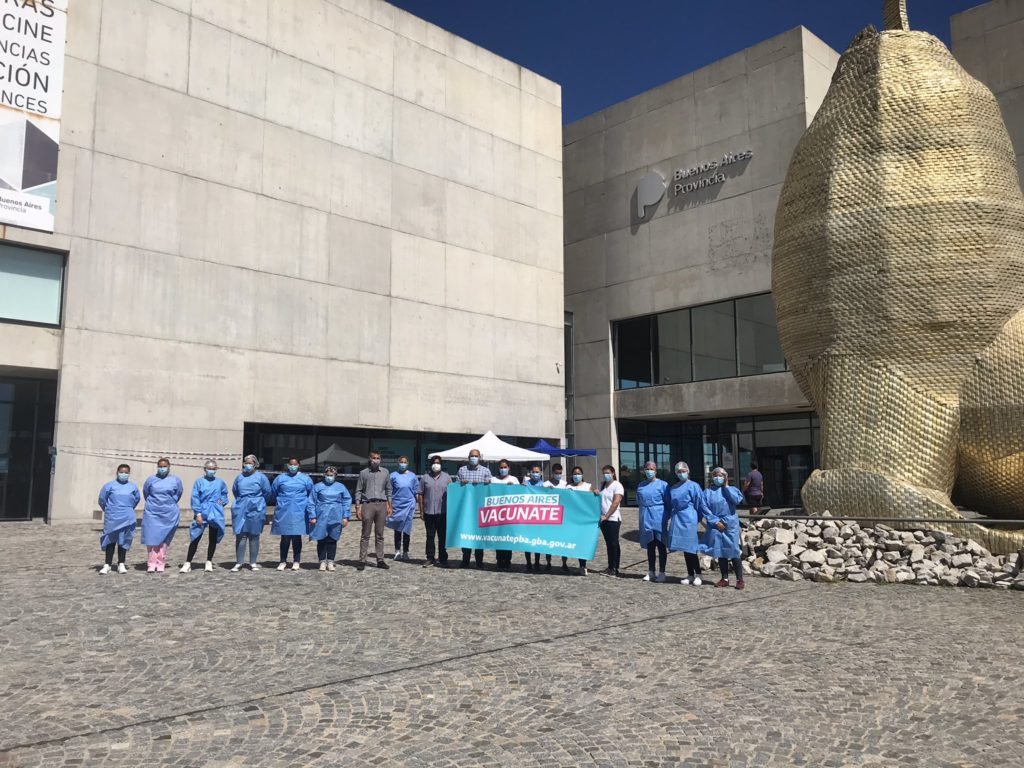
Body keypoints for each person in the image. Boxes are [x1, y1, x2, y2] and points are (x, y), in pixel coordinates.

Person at [667, 461, 710, 585]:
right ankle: (690, 574)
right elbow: (671, 503)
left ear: (688, 471)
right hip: (678, 517)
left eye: (683, 471)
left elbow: (699, 503)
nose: (681, 473)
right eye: (679, 472)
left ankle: (698, 574)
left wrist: (697, 517)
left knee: (691, 547)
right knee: (684, 547)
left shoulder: (694, 486)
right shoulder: (674, 488)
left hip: (689, 516)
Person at [703, 467, 746, 589]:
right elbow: (704, 508)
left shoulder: (732, 490)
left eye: (721, 475)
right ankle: (724, 578)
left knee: (733, 550)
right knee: (720, 550)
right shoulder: (707, 492)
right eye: (715, 475)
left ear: (725, 477)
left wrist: (726, 487)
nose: (718, 477)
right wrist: (715, 521)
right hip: (716, 524)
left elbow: (737, 500)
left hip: (730, 524)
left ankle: (740, 579)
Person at [181, 459, 228, 573]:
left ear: (216, 469)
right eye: (209, 468)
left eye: (213, 469)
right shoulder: (199, 482)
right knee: (195, 537)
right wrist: (198, 513)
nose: (211, 471)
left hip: (215, 511)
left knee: (212, 537)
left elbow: (224, 495)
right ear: (205, 469)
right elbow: (195, 497)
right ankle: (188, 562)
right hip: (202, 510)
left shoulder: (220, 482)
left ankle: (209, 561)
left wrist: (219, 503)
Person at [140, 458, 183, 573]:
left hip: (168, 512)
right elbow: (146, 492)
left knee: (164, 538)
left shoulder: (175, 480)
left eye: (164, 466)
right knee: (151, 537)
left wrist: (169, 503)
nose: (162, 468)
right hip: (152, 512)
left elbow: (178, 493)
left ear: (169, 467)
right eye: (160, 466)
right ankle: (151, 563)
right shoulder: (151, 480)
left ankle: (160, 562)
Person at [230, 455, 273, 572]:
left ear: (255, 464)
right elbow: (235, 491)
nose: (247, 465)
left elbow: (267, 492)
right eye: (246, 463)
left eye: (250, 463)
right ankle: (239, 562)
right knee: (241, 534)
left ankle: (253, 562)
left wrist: (258, 501)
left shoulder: (261, 477)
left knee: (254, 535)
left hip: (256, 507)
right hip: (241, 506)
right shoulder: (239, 477)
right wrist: (242, 501)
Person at [271, 457, 314, 571]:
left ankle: (296, 560)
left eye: (295, 464)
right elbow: (274, 491)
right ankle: (282, 561)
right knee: (285, 537)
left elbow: (311, 493)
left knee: (296, 536)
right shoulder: (280, 478)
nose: (293, 466)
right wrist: (283, 500)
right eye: (291, 464)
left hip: (299, 510)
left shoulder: (305, 479)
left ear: (299, 465)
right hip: (284, 510)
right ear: (287, 465)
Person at [307, 465, 352, 571]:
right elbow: (311, 501)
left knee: (332, 539)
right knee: (321, 539)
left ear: (335, 475)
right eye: (327, 475)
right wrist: (312, 516)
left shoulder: (341, 487)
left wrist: (345, 516)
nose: (329, 477)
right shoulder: (318, 486)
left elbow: (347, 501)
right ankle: (322, 561)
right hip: (321, 515)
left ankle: (331, 561)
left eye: (331, 475)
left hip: (336, 515)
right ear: (324, 475)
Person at [98, 464, 140, 574]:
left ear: (129, 474)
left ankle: (121, 563)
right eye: (121, 472)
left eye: (126, 472)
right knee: (110, 540)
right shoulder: (109, 486)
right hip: (112, 516)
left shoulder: (133, 487)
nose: (123, 474)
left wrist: (127, 508)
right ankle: (107, 564)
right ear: (117, 472)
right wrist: (109, 509)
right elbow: (102, 500)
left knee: (123, 540)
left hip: (127, 517)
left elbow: (136, 499)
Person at [355, 450, 392, 571]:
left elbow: (389, 489)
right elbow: (358, 490)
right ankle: (362, 560)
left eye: (378, 458)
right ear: (370, 459)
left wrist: (389, 505)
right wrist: (357, 506)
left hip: (382, 504)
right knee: (365, 534)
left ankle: (380, 559)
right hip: (368, 504)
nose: (376, 460)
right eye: (374, 458)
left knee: (380, 534)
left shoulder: (385, 472)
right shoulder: (363, 473)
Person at [636, 460, 670, 583]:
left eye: (652, 469)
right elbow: (639, 500)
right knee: (650, 544)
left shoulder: (663, 485)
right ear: (644, 470)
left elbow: (668, 502)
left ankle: (662, 572)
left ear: (656, 470)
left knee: (660, 544)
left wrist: (666, 516)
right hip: (646, 516)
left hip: (659, 516)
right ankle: (651, 571)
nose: (649, 471)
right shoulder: (641, 485)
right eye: (647, 469)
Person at [457, 448, 491, 568]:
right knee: (466, 533)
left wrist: (484, 484)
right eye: (472, 456)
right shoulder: (462, 470)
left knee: (479, 535)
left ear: (479, 457)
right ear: (468, 457)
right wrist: (462, 484)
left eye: (476, 456)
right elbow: (456, 487)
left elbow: (490, 488)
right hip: (466, 508)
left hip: (480, 508)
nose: (474, 458)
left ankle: (479, 561)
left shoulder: (485, 471)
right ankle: (465, 560)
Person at [418, 455, 451, 567]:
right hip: (429, 512)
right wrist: (421, 510)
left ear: (441, 464)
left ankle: (443, 558)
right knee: (430, 536)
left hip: (442, 512)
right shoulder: (425, 478)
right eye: (434, 463)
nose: (436, 465)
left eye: (438, 463)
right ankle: (430, 557)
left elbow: (453, 493)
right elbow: (420, 494)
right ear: (430, 464)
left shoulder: (447, 478)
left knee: (442, 537)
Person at [387, 455, 421, 562]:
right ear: (398, 463)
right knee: (397, 529)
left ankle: (406, 551)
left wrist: (420, 505)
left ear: (408, 463)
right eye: (401, 462)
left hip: (409, 505)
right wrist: (388, 505)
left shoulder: (412, 476)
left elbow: (416, 491)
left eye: (405, 462)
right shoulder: (393, 475)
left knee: (407, 529)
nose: (403, 464)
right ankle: (397, 551)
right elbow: (389, 491)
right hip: (397, 505)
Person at [490, 459, 520, 569]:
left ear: (509, 468)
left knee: (507, 537)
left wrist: (514, 487)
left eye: (505, 467)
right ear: (498, 468)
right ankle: (499, 560)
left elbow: (520, 494)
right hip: (497, 514)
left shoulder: (514, 479)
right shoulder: (493, 479)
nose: (503, 469)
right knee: (498, 537)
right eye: (501, 467)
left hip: (509, 514)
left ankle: (507, 560)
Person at [597, 465, 624, 576]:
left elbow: (616, 502)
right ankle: (610, 566)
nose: (606, 475)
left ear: (613, 473)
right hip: (603, 518)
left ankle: (615, 568)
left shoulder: (617, 485)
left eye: (608, 472)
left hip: (612, 518)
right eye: (604, 473)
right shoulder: (602, 485)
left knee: (614, 543)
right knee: (608, 543)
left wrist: (607, 515)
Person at [564, 466, 591, 575]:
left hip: (583, 519)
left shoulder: (587, 486)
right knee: (568, 541)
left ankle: (582, 565)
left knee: (582, 542)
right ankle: (564, 563)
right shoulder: (568, 487)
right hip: (571, 519)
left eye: (578, 473)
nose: (576, 476)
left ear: (582, 475)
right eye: (575, 474)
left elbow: (591, 500)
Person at [522, 464, 549, 572]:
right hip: (527, 516)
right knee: (527, 541)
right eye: (533, 472)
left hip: (538, 517)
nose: (535, 474)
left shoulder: (543, 485)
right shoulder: (526, 483)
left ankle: (537, 562)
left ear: (541, 473)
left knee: (537, 540)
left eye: (537, 472)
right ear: (530, 473)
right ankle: (528, 562)